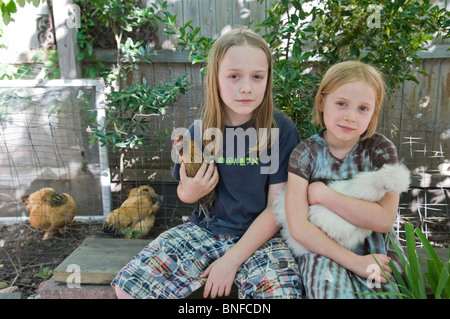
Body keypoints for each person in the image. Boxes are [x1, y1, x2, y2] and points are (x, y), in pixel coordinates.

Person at [112, 27, 303, 299]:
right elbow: (184, 194)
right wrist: (193, 190)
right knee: (128, 286)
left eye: (257, 76)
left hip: (262, 239)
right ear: (215, 78)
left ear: (268, 80)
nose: (246, 87)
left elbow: (276, 209)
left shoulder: (280, 131)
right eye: (234, 76)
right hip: (203, 231)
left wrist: (230, 261)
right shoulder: (197, 133)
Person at [284, 61, 404, 299]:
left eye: (363, 108)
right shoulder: (305, 153)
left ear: (373, 112)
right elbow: (298, 226)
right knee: (329, 291)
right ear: (321, 102)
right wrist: (355, 262)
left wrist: (323, 194)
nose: (350, 116)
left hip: (376, 249)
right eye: (341, 104)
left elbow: (383, 220)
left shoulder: (380, 150)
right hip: (322, 251)